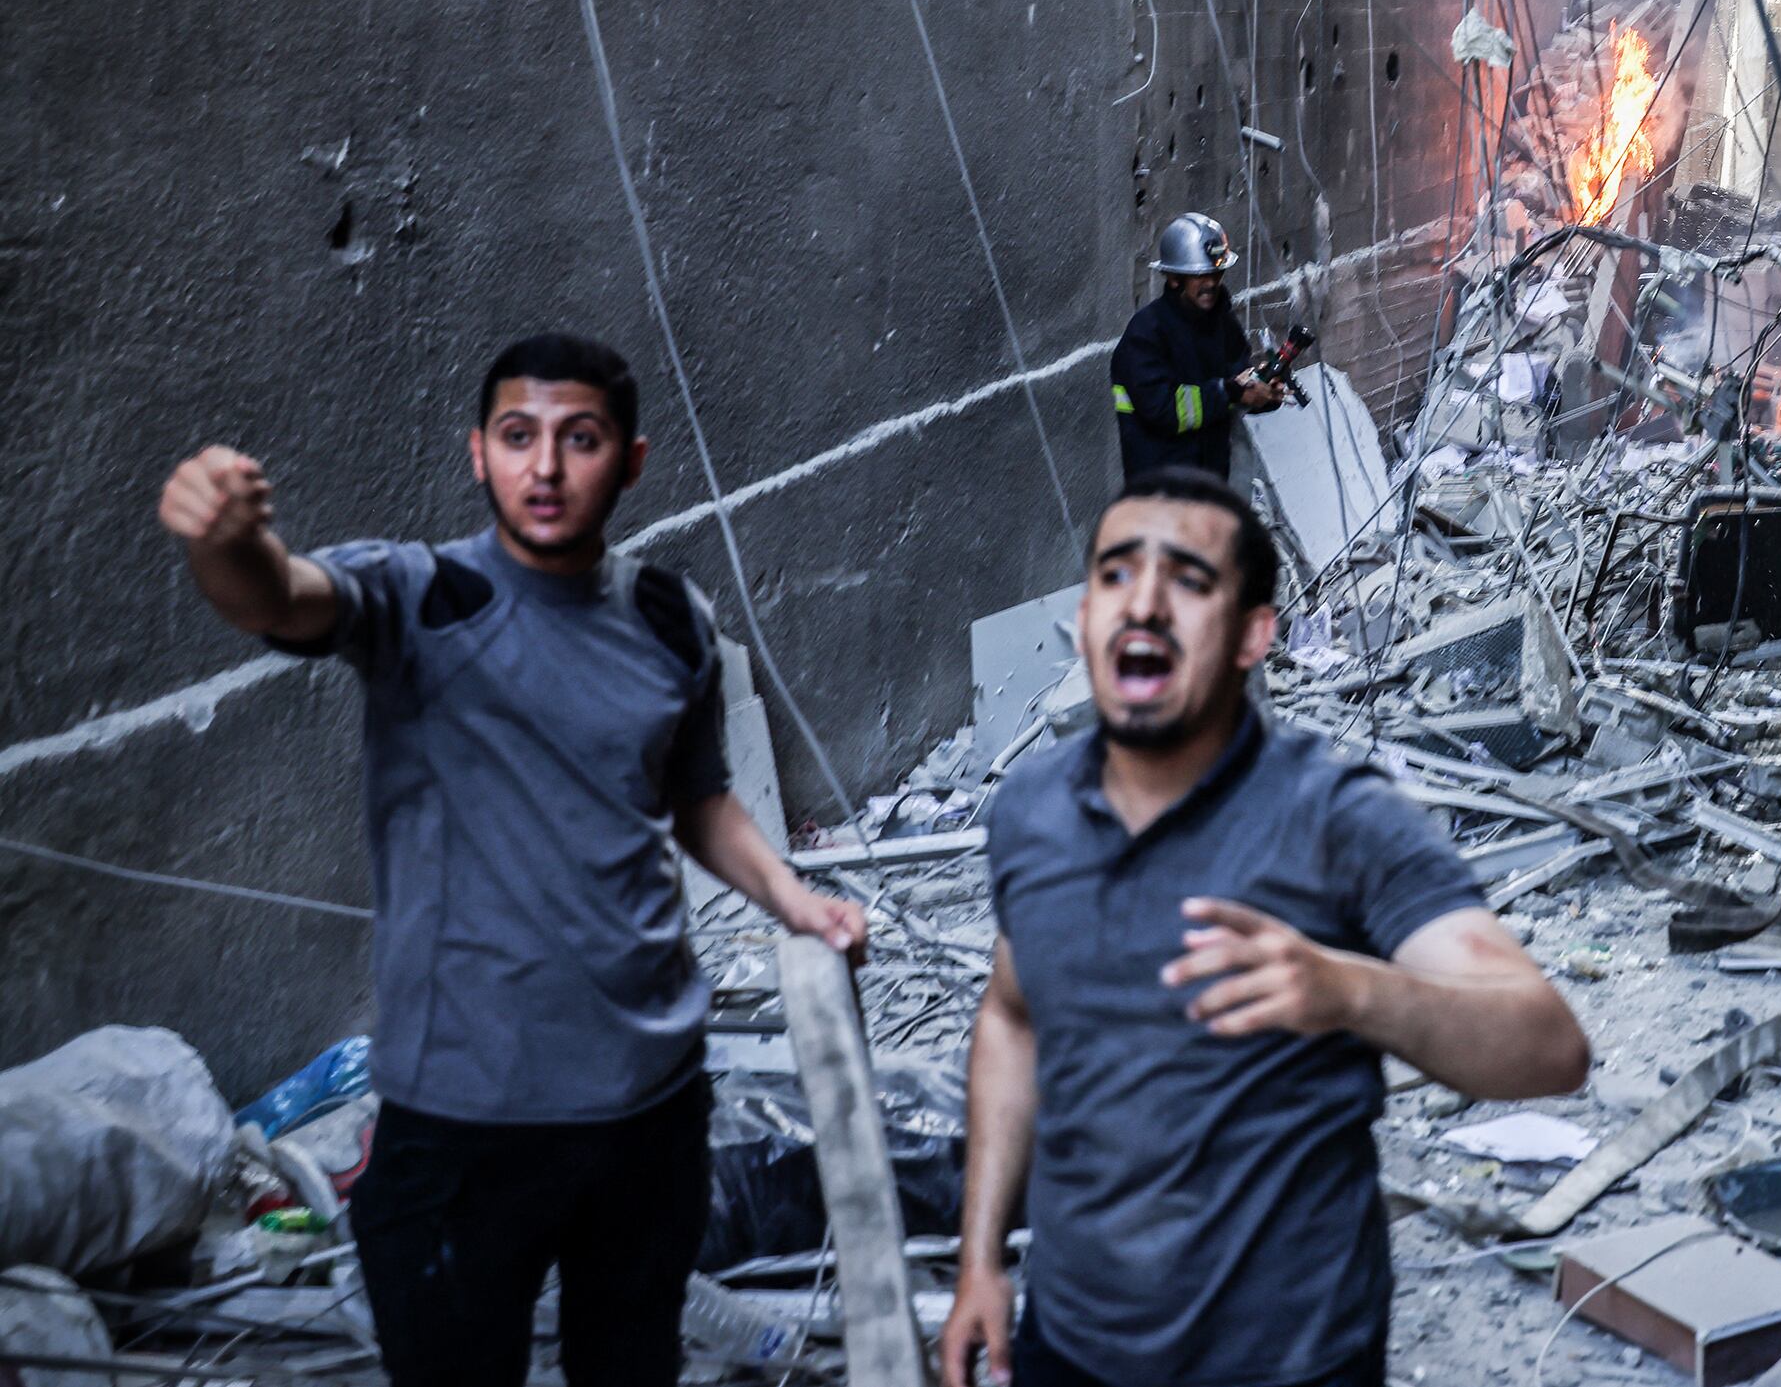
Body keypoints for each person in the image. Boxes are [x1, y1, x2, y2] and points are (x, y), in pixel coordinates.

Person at [155, 333, 867, 1387]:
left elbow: (700, 801)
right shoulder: (416, 597)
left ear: (630, 459)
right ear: (477, 452)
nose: (545, 467)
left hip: (648, 1102)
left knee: (630, 1363)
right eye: (518, 435)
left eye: (580, 439)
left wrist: (792, 898)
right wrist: (228, 542)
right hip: (464, 1118)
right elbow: (276, 598)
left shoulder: (671, 617)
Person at [940, 466, 1591, 1387]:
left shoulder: (1338, 817)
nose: (1144, 603)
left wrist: (1347, 990)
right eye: (1117, 574)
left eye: (1188, 580)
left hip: (1288, 1361)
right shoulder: (1030, 809)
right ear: (1084, 618)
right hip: (1071, 1343)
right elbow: (1012, 1018)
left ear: (1255, 634)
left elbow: (1550, 1047)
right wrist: (979, 1260)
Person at [1110, 212, 1287, 483]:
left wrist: (1263, 391)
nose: (1211, 283)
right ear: (1174, 278)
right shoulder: (1145, 334)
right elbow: (1164, 409)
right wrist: (1231, 392)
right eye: (1200, 275)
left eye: (1216, 273)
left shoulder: (1223, 324)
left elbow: (1236, 387)